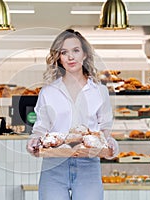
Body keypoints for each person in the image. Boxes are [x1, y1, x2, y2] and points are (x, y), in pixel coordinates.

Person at [26, 29, 118, 200]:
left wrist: (110, 143)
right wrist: (33, 141)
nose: (70, 57)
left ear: (84, 54)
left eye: (75, 50)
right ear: (58, 58)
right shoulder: (48, 92)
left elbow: (104, 129)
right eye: (64, 52)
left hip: (88, 165)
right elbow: (41, 128)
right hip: (53, 165)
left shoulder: (99, 91)